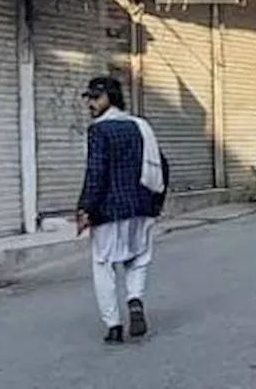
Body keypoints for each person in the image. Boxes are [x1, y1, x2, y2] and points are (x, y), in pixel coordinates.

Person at [77, 76, 170, 344]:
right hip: (142, 207)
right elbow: (162, 165)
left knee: (103, 264)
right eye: (89, 98)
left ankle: (114, 326)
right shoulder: (141, 127)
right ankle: (135, 299)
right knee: (138, 259)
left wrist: (85, 208)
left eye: (96, 98)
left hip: (109, 210)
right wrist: (157, 203)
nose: (91, 104)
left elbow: (96, 173)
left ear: (110, 98)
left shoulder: (99, 131)